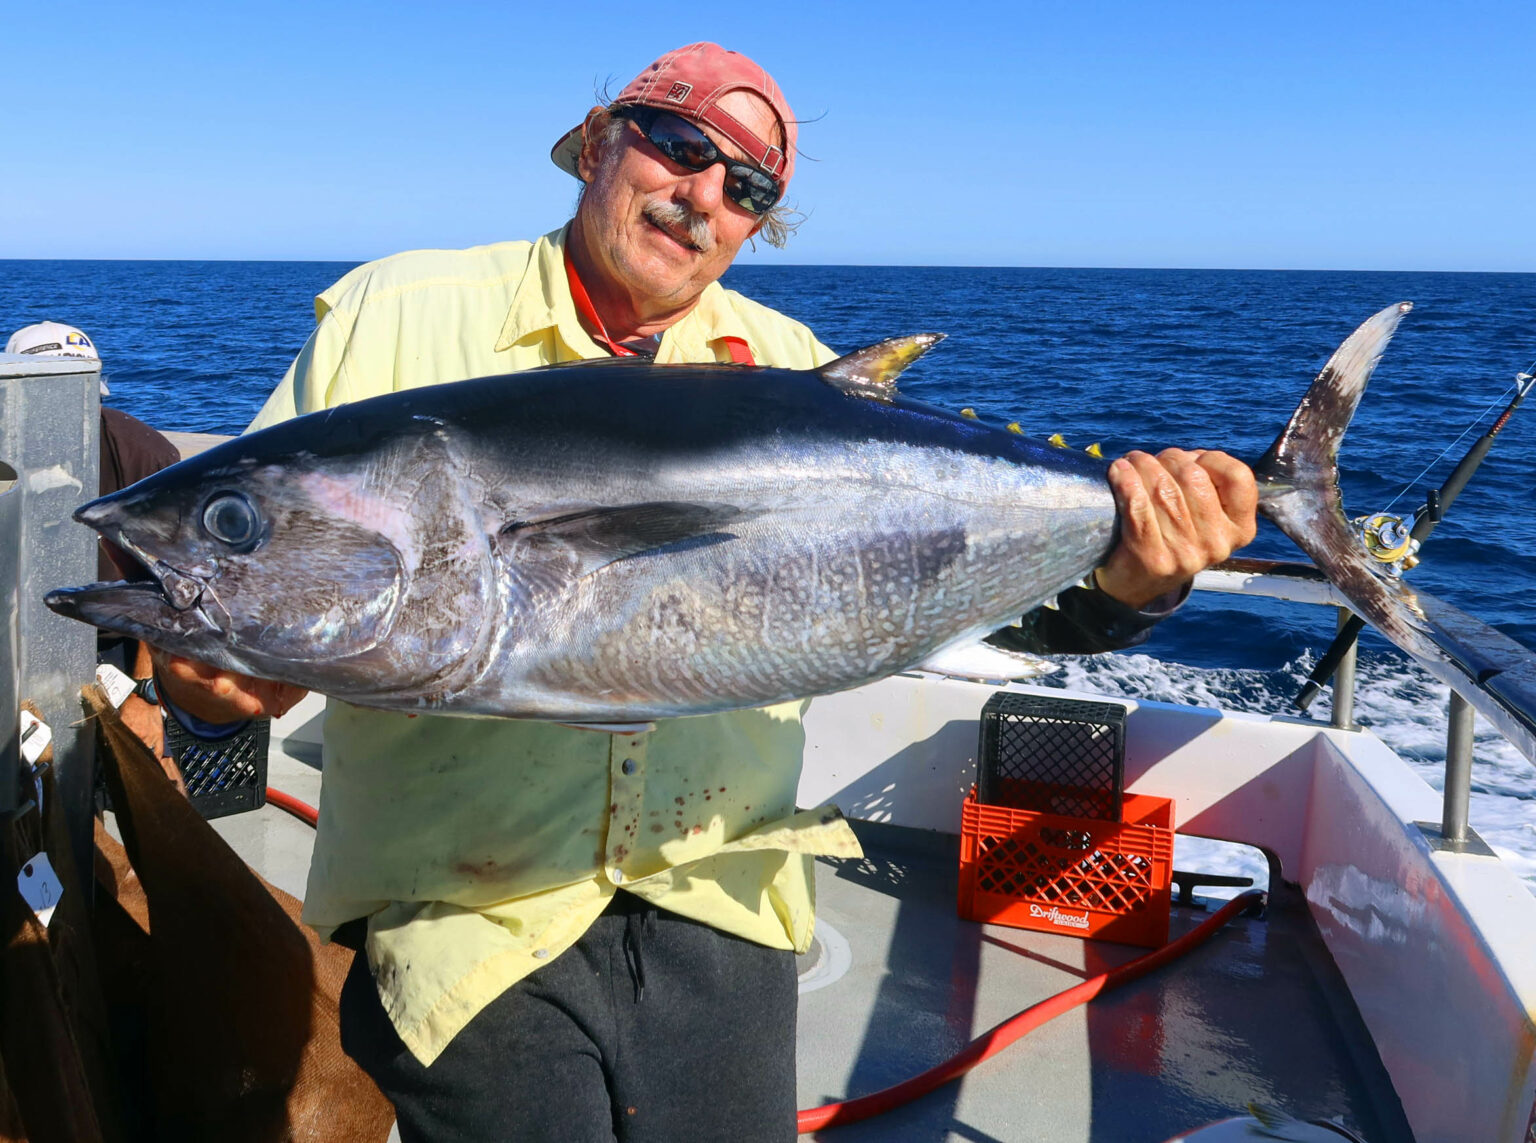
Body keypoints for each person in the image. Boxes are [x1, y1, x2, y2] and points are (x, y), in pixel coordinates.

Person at [151, 42, 1258, 1142]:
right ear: (597, 143)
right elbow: (267, 610)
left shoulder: (799, 376)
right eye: (679, 148)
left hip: (720, 890)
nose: (701, 196)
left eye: (748, 188)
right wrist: (213, 694)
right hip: (460, 911)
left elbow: (1011, 622)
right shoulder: (396, 317)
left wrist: (1133, 580)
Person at [7, 321, 184, 782]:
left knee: (150, 775)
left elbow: (171, 586)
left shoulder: (146, 457)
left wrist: (146, 695)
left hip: (122, 641)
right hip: (19, 639)